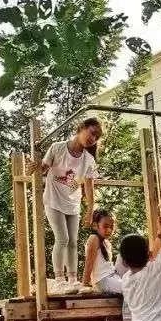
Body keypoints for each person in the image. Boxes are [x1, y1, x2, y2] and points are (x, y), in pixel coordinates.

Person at [27, 117, 103, 294]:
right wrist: (34, 166)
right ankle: (60, 279)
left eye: (96, 137)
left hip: (73, 202)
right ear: (81, 128)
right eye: (92, 133)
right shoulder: (58, 147)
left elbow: (89, 186)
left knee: (73, 242)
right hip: (53, 199)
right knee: (62, 239)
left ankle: (73, 280)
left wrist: (90, 209)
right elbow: (43, 167)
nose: (93, 139)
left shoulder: (88, 159)